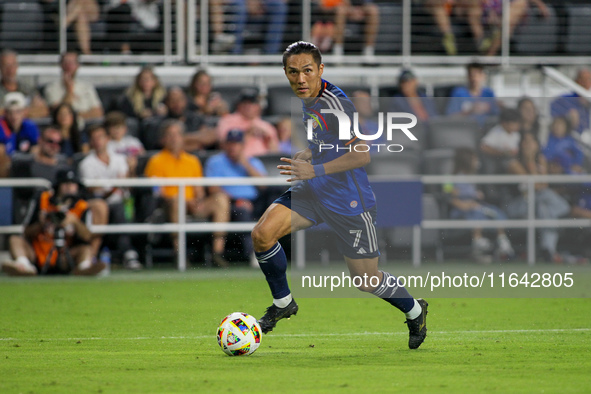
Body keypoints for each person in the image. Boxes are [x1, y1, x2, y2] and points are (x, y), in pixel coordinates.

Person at [250, 41, 428, 349]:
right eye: (293, 72)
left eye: (307, 71)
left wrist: (314, 170)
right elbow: (329, 139)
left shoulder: (337, 104)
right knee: (262, 234)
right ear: (285, 73)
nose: (300, 79)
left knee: (367, 280)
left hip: (348, 201)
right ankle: (283, 303)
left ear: (320, 69)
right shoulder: (308, 98)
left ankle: (415, 310)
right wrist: (311, 153)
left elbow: (362, 155)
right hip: (314, 191)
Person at [144, 119, 231, 267]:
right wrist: (183, 201)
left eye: (177, 134)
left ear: (183, 137)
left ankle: (218, 252)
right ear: (163, 139)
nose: (174, 138)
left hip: (192, 204)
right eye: (170, 135)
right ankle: (179, 254)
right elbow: (157, 192)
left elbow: (199, 189)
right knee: (176, 201)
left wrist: (197, 200)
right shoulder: (155, 161)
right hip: (169, 205)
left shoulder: (192, 160)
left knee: (221, 199)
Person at [1, 168, 105, 276]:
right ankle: (23, 265)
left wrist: (74, 221)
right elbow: (26, 232)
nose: (70, 187)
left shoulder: (81, 206)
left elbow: (88, 237)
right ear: (58, 186)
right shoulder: (43, 199)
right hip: (39, 252)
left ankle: (84, 267)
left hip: (66, 255)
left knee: (85, 249)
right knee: (15, 239)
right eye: (65, 183)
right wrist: (41, 223)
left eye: (73, 183)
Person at [78, 124, 142, 270]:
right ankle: (126, 253)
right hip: (99, 204)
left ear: (107, 139)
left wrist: (131, 170)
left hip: (123, 202)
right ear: (90, 142)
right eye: (94, 138)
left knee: (122, 206)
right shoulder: (86, 164)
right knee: (111, 207)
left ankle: (128, 253)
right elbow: (94, 192)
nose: (98, 141)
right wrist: (115, 186)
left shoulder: (120, 159)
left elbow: (128, 186)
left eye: (100, 137)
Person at [506, 133, 571, 263]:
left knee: (543, 208)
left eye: (532, 142)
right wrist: (530, 161)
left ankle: (548, 250)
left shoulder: (541, 159)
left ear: (537, 145)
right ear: (521, 145)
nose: (529, 145)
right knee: (544, 196)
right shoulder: (514, 163)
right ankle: (563, 208)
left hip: (538, 204)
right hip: (520, 204)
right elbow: (536, 186)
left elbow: (543, 184)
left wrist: (535, 164)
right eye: (526, 142)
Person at [205, 129, 267, 261]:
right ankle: (253, 254)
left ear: (243, 145)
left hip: (256, 201)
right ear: (224, 145)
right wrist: (236, 200)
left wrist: (245, 164)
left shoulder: (252, 162)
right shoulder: (215, 162)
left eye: (236, 143)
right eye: (230, 143)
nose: (233, 147)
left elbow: (264, 185)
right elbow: (213, 188)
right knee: (242, 211)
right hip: (231, 203)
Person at [444, 147, 514, 263]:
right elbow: (448, 196)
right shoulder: (449, 177)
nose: (477, 162)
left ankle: (502, 240)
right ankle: (478, 240)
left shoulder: (473, 178)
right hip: (461, 210)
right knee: (475, 213)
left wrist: (477, 196)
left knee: (494, 211)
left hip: (476, 206)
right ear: (466, 161)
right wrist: (462, 204)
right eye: (474, 159)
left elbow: (476, 195)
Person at [217, 88, 279, 157]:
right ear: (239, 105)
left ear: (258, 106)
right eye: (245, 103)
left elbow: (275, 153)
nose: (248, 106)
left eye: (252, 103)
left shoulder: (266, 126)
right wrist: (247, 133)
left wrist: (268, 139)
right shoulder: (227, 120)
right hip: (236, 162)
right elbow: (223, 145)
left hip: (262, 163)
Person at [43, 52, 104, 121]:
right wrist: (69, 91)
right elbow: (60, 114)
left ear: (77, 65)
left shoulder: (87, 86)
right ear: (61, 65)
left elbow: (98, 112)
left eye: (72, 63)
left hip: (87, 126)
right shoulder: (51, 88)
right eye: (66, 62)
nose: (69, 66)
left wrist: (75, 117)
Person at [314, 0, 379, 61]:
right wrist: (350, 8)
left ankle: (369, 51)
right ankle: (338, 50)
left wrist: (358, 9)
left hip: (361, 7)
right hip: (344, 6)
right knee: (341, 11)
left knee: (373, 11)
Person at [0, 49, 49, 119]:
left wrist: (16, 113)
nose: (10, 70)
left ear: (17, 66)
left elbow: (44, 110)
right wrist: (23, 111)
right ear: (0, 67)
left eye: (13, 65)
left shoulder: (28, 89)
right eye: (6, 66)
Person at [0, 92, 40, 177]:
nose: (14, 116)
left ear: (24, 112)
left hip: (26, 167)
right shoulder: (1, 126)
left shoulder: (30, 126)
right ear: (5, 113)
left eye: (18, 111)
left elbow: (35, 150)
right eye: (10, 112)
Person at [550, 68, 591, 136]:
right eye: (582, 79)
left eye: (588, 79)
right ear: (576, 81)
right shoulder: (565, 99)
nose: (585, 82)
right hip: (569, 137)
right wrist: (567, 117)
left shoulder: (588, 101)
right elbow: (552, 112)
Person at [480, 107, 522, 174]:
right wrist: (502, 153)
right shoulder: (497, 132)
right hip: (500, 161)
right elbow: (484, 147)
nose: (517, 125)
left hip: (515, 159)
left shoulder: (516, 134)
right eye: (514, 123)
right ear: (504, 123)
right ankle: (528, 183)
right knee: (513, 164)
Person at [105, 111, 145, 176]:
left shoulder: (133, 141)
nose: (116, 130)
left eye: (119, 127)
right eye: (113, 127)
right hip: (116, 173)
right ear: (107, 129)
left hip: (134, 170)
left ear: (125, 128)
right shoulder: (107, 144)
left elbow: (142, 156)